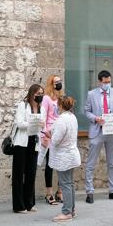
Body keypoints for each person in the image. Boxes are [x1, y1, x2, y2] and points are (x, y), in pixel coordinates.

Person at [84, 70, 113, 203]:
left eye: (109, 82)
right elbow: (86, 111)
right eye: (105, 82)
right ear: (99, 82)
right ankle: (89, 192)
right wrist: (96, 118)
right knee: (91, 163)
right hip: (97, 131)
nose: (107, 84)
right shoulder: (92, 94)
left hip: (112, 132)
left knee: (112, 163)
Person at [11, 84, 45, 213]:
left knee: (31, 173)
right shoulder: (23, 105)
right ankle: (19, 205)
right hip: (22, 143)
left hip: (34, 143)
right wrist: (33, 123)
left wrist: (41, 125)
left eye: (41, 93)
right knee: (19, 175)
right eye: (37, 93)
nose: (39, 95)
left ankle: (29, 203)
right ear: (32, 93)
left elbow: (42, 124)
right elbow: (19, 123)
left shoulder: (41, 108)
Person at [48, 96, 81, 222]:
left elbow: (56, 140)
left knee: (65, 184)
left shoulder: (62, 120)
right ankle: (71, 210)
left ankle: (67, 212)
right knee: (70, 183)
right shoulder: (73, 117)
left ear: (60, 106)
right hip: (71, 154)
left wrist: (50, 135)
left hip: (64, 157)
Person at [42, 75, 64, 205]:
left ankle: (60, 191)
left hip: (60, 134)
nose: (59, 84)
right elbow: (43, 117)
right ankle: (49, 193)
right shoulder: (46, 98)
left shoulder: (62, 98)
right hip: (50, 134)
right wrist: (44, 135)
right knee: (50, 165)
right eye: (56, 82)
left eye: (60, 81)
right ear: (51, 84)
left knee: (61, 164)